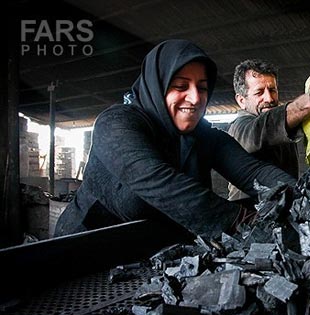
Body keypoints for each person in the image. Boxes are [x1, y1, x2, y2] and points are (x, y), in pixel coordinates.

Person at [54, 40, 295, 240]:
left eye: (202, 88)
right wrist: (247, 222)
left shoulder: (203, 136)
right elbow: (163, 184)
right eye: (180, 86)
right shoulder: (116, 124)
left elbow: (254, 172)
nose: (195, 98)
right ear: (157, 87)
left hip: (151, 252)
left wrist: (307, 198)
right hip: (86, 248)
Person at [226, 59, 310, 201]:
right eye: (259, 92)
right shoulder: (239, 129)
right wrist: (309, 100)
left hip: (284, 207)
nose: (269, 98)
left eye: (272, 90)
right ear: (241, 100)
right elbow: (264, 127)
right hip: (250, 214)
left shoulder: (286, 122)